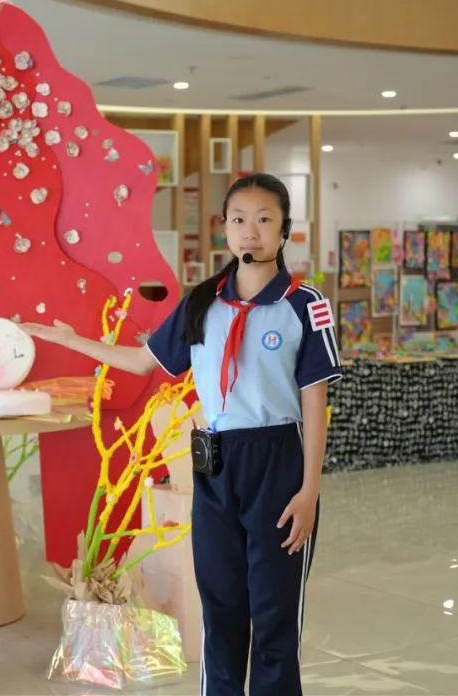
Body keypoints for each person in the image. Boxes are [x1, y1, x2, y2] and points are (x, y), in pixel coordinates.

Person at [22, 173, 340, 696]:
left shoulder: (304, 305)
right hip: (213, 463)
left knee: (274, 614)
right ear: (225, 229)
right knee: (221, 607)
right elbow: (141, 361)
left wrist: (309, 491)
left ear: (284, 230)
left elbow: (315, 400)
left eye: (264, 220)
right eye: (239, 220)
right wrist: (74, 340)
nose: (250, 232)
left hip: (276, 460)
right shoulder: (201, 303)